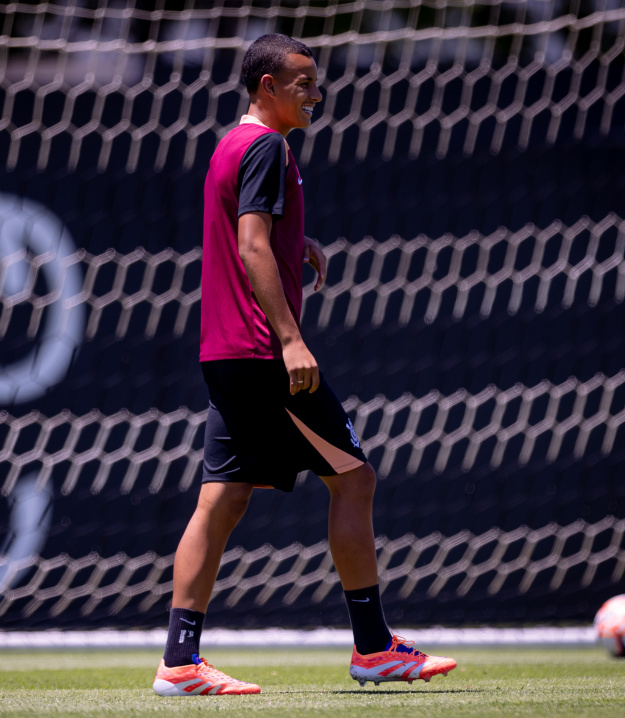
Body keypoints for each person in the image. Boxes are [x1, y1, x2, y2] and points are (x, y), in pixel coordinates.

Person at [152, 33, 457, 697]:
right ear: (267, 86)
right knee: (354, 479)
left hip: (224, 351)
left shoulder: (232, 145)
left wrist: (298, 241)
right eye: (303, 83)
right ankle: (373, 648)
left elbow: (252, 232)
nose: (317, 93)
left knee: (222, 499)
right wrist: (291, 340)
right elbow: (251, 245)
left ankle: (179, 661)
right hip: (263, 352)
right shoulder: (267, 146)